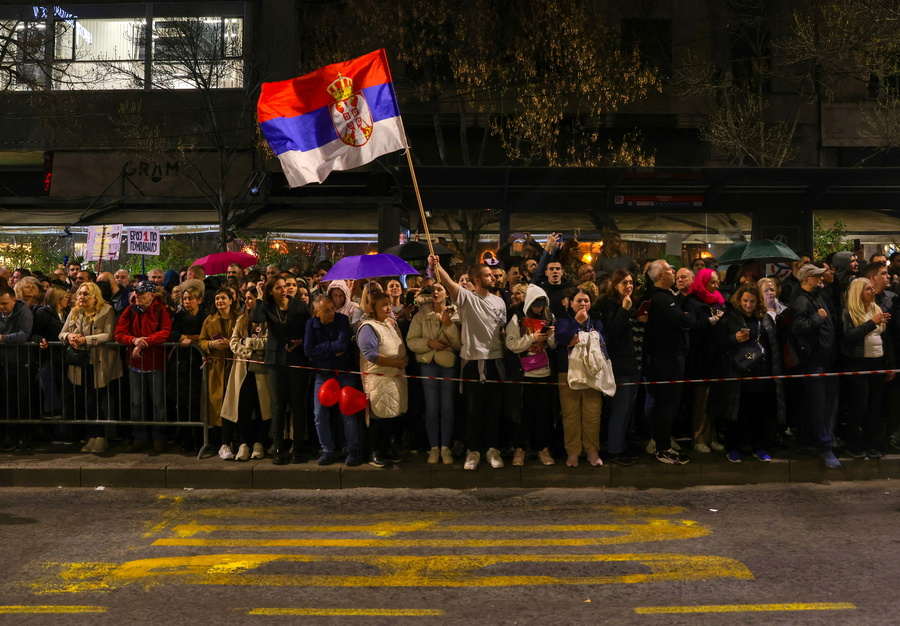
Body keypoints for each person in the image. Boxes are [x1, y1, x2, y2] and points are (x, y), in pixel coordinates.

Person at [428, 254, 507, 471]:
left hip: (495, 360)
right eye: (489, 275)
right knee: (473, 409)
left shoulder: (499, 301)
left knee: (493, 408)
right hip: (472, 361)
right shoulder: (467, 298)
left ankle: (492, 448)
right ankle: (473, 451)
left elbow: (502, 330)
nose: (494, 278)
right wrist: (437, 266)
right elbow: (450, 285)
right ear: (478, 280)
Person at [715, 284, 782, 463]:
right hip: (738, 374)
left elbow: (773, 346)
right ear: (739, 300)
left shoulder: (765, 318)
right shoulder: (730, 318)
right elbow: (716, 342)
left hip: (762, 374)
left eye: (752, 301)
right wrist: (733, 338)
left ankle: (759, 447)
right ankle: (733, 447)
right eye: (745, 301)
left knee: (760, 413)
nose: (748, 305)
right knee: (737, 413)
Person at [251, 276, 312, 465]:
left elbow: (308, 328)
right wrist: (260, 297)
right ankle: (278, 448)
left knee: (297, 404)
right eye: (278, 288)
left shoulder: (299, 305)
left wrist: (301, 342)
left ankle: (298, 448)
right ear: (271, 291)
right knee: (278, 405)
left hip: (296, 358)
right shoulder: (268, 306)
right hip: (276, 359)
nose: (284, 290)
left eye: (285, 286)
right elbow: (256, 318)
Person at [786, 264, 840, 468]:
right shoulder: (801, 300)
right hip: (814, 361)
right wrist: (819, 317)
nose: (821, 279)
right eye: (817, 276)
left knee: (813, 404)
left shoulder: (818, 295)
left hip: (824, 359)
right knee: (819, 405)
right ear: (807, 279)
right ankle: (824, 446)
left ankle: (806, 441)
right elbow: (798, 327)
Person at [60, 282, 122, 453]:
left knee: (98, 399)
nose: (81, 297)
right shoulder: (74, 312)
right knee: (86, 400)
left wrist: (86, 340)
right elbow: (61, 333)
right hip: (81, 363)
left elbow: (109, 334)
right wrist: (70, 336)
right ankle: (92, 436)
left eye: (86, 294)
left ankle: (101, 437)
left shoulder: (107, 310)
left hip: (100, 362)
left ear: (95, 296)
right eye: (80, 293)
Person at [643, 260, 695, 465]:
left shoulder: (666, 297)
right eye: (669, 269)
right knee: (666, 403)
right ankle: (662, 447)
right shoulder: (661, 299)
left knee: (667, 404)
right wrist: (688, 312)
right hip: (667, 361)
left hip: (669, 358)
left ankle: (662, 442)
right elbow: (687, 321)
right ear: (659, 276)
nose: (673, 271)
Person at [305, 294, 364, 467]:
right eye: (326, 310)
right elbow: (308, 350)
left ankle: (352, 450)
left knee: (348, 413)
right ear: (317, 312)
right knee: (319, 414)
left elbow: (343, 346)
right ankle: (327, 450)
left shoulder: (342, 320)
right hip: (323, 375)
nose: (331, 312)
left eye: (332, 308)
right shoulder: (311, 325)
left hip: (344, 373)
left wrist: (322, 349)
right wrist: (331, 349)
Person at [114, 280, 172, 452]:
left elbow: (165, 332)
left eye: (142, 294)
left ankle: (158, 438)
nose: (137, 296)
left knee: (158, 404)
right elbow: (119, 333)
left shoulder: (161, 310)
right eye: (136, 293)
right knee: (137, 403)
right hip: (135, 365)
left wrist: (144, 343)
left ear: (152, 296)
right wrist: (133, 340)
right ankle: (139, 437)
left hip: (156, 363)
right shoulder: (129, 310)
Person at [595, 270, 646, 466]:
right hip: (620, 364)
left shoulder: (631, 304)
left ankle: (622, 444)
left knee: (628, 408)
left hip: (635, 363)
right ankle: (615, 449)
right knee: (620, 408)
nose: (629, 286)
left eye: (631, 282)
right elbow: (611, 333)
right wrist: (624, 310)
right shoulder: (610, 305)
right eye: (624, 282)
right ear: (615, 285)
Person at [406, 284, 461, 465]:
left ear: (447, 294)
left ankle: (445, 447)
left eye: (440, 290)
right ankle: (433, 447)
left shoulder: (455, 313)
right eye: (433, 290)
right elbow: (411, 341)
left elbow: (460, 344)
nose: (436, 293)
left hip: (448, 365)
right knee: (431, 408)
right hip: (428, 364)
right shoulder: (421, 315)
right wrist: (430, 343)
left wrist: (448, 324)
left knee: (447, 407)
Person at [841, 277, 893, 459]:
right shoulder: (849, 311)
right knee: (859, 405)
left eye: (872, 289)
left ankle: (870, 444)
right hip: (858, 362)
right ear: (858, 293)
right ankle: (853, 445)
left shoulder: (876, 308)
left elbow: (886, 340)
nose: (872, 292)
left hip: (877, 361)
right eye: (868, 289)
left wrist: (890, 365)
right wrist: (872, 322)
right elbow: (848, 336)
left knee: (874, 406)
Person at [506, 284, 557, 466]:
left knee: (543, 413)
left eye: (541, 305)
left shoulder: (550, 316)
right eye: (535, 305)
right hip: (525, 374)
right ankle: (520, 448)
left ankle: (542, 448)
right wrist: (532, 338)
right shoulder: (518, 318)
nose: (538, 309)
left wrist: (549, 336)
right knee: (523, 414)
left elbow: (553, 346)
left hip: (544, 372)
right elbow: (511, 344)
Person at [554, 287, 606, 467]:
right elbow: (562, 338)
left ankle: (592, 450)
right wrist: (576, 323)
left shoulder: (596, 321)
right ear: (570, 303)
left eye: (586, 301)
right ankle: (573, 452)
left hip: (591, 371)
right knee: (570, 414)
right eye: (579, 301)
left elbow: (601, 340)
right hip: (567, 372)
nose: (583, 304)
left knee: (592, 413)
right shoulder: (563, 320)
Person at [357, 292, 409, 467]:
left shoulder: (390, 324)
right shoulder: (368, 327)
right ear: (373, 308)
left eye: (389, 304)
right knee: (378, 417)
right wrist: (394, 362)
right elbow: (370, 354)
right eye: (384, 305)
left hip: (395, 376)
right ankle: (374, 451)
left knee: (392, 415)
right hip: (379, 377)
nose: (388, 308)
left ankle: (387, 448)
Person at [221, 306, 272, 461]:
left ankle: (259, 443)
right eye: (248, 298)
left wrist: (247, 342)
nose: (250, 302)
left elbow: (266, 342)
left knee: (262, 407)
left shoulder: (268, 321)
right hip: (242, 370)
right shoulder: (241, 320)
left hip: (261, 371)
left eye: (253, 299)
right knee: (243, 406)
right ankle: (244, 443)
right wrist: (250, 353)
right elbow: (234, 343)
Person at [685, 268, 726, 454]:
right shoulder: (692, 301)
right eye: (712, 282)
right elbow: (692, 327)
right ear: (703, 282)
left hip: (717, 357)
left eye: (717, 281)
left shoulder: (719, 300)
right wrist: (711, 320)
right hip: (700, 357)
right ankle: (699, 437)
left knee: (715, 400)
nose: (716, 285)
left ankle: (712, 436)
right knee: (701, 400)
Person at [199, 287, 240, 459]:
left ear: (231, 300)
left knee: (233, 403)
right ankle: (221, 442)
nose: (220, 301)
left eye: (223, 298)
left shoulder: (239, 318)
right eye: (217, 299)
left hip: (235, 366)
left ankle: (235, 441)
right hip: (216, 368)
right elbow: (201, 340)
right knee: (217, 404)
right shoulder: (209, 320)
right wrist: (211, 345)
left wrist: (230, 343)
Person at [168, 286, 206, 452]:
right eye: (184, 299)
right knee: (182, 402)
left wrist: (191, 338)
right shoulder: (179, 316)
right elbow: (174, 335)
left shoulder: (205, 316)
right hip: (182, 363)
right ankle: (185, 439)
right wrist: (194, 338)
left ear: (199, 300)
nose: (187, 302)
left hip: (199, 362)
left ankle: (199, 438)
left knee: (197, 401)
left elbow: (207, 335)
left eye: (190, 298)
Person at [33, 286, 69, 419]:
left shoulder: (65, 313)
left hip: (63, 356)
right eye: (66, 297)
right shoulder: (43, 313)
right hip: (49, 355)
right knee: (46, 375)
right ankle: (52, 408)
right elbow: (35, 333)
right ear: (58, 299)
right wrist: (40, 339)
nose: (68, 300)